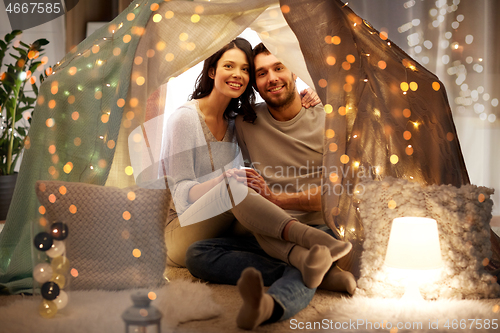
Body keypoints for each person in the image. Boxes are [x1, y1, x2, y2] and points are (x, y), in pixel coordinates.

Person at [185, 43, 357, 330]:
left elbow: (337, 195)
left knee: (300, 251)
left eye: (279, 68)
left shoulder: (328, 119)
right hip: (267, 230)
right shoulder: (245, 122)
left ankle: (271, 306)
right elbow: (213, 113)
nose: (272, 78)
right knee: (197, 254)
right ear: (255, 83)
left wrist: (279, 200)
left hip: (317, 228)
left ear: (294, 72)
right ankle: (322, 270)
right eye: (262, 73)